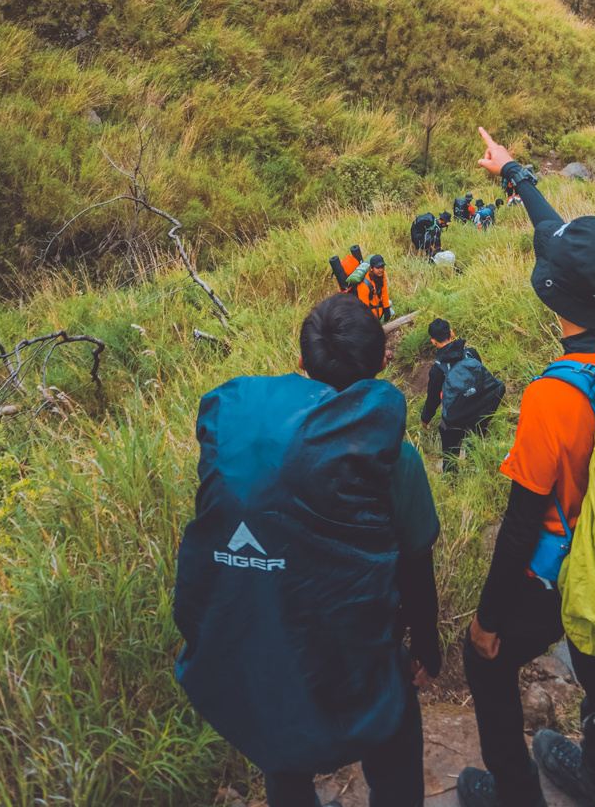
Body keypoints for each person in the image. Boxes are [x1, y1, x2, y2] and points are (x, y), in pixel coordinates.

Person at [173, 292, 441, 807]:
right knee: (395, 745)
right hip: (359, 649)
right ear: (381, 367)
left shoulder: (248, 444)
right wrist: (426, 648)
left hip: (270, 638)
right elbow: (415, 567)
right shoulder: (394, 458)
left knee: (283, 755)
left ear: (300, 363)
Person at [457, 129, 595, 807]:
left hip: (554, 570)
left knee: (486, 665)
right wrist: (515, 174)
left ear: (552, 296)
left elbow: (520, 523)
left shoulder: (552, 399)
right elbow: (559, 237)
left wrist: (488, 621)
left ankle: (515, 795)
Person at [421, 318, 506, 466]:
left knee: (449, 449)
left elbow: (433, 399)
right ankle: (473, 466)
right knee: (475, 439)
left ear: (433, 341)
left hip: (455, 416)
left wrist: (425, 418)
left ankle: (451, 478)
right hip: (479, 408)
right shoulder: (471, 354)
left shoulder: (437, 369)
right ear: (452, 334)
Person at [357, 253, 392, 322]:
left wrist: (386, 308)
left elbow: (384, 290)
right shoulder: (364, 286)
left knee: (390, 309)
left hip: (379, 308)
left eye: (382, 267)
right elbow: (365, 310)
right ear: (371, 268)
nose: (381, 270)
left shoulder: (381, 275)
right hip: (371, 314)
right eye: (378, 268)